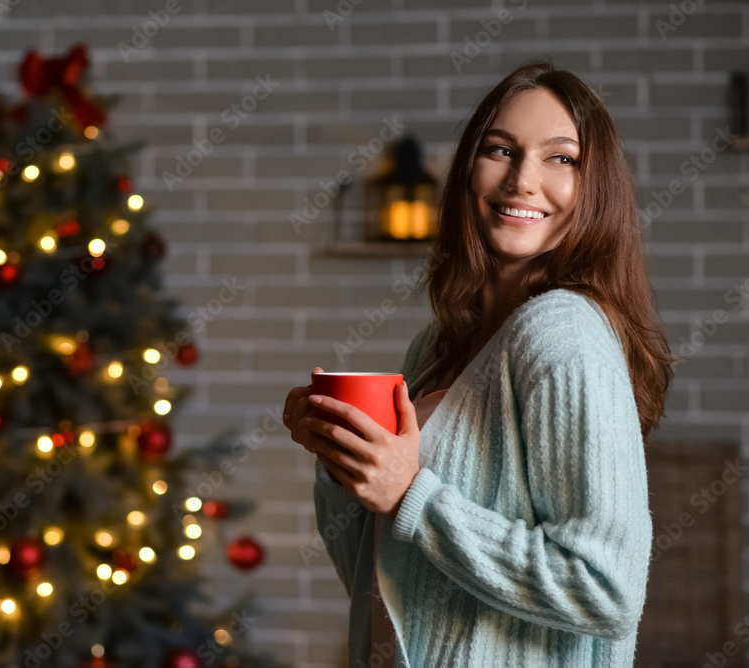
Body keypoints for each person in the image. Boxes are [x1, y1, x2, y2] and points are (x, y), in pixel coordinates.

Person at [282, 59, 675, 668]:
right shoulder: (437, 345)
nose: (522, 179)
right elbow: (386, 578)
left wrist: (414, 493)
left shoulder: (563, 330)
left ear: (593, 187)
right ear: (468, 169)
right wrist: (345, 467)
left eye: (561, 158)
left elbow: (606, 589)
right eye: (500, 149)